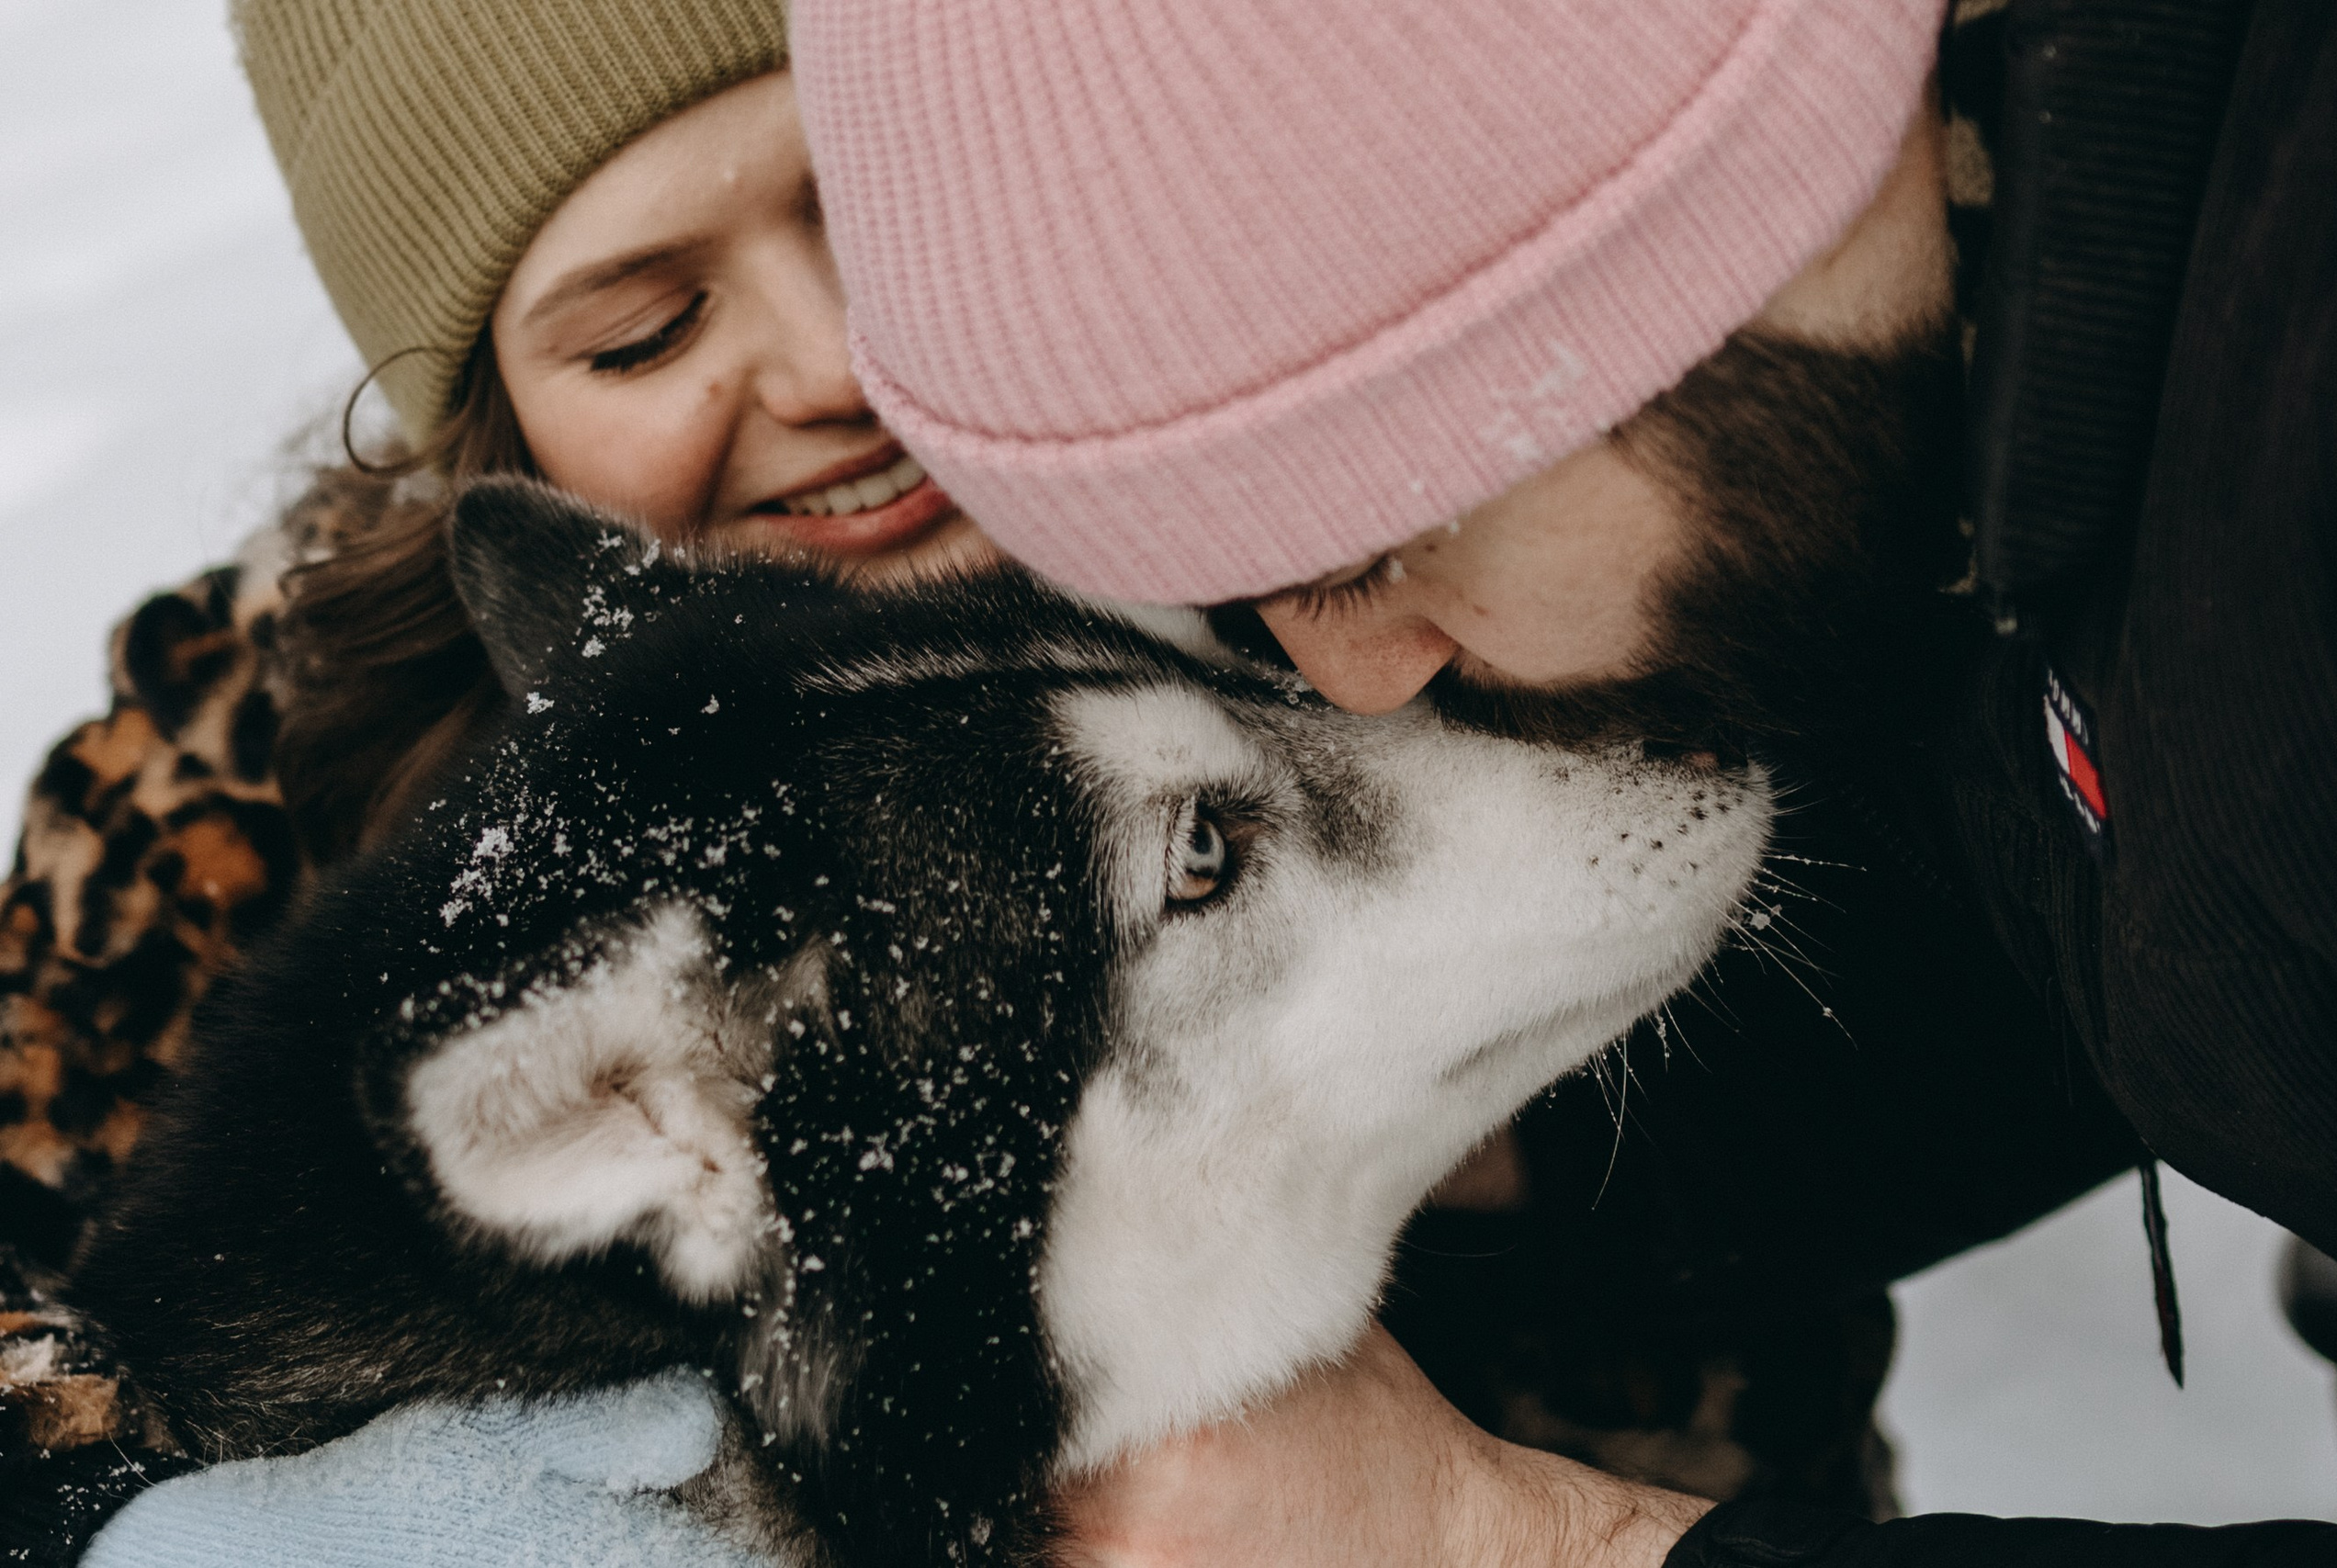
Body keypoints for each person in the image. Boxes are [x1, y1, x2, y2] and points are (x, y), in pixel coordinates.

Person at [0, 0, 1936, 1561]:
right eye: (647, 324)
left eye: (871, 213)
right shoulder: (247, 761)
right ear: (497, 423)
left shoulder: (1416, 562)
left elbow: (1881, 1082)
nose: (835, 364)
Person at [778, 0, 2337, 1564]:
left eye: (1366, 552)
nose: (1364, 679)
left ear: (1680, 232)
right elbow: (2047, 976)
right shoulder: (2016, 445)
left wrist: (1523, 1543)